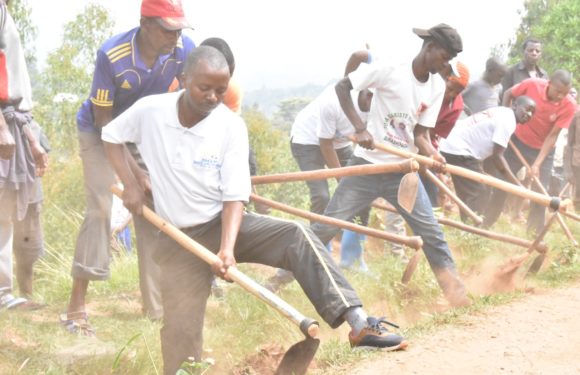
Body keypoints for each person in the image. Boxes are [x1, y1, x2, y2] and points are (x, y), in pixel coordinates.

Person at [101, 46, 408, 375]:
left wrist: (227, 249)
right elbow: (110, 136)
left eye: (220, 90)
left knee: (297, 235)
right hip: (178, 240)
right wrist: (132, 182)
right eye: (204, 88)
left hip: (223, 224)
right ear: (183, 79)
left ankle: (359, 324)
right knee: (180, 332)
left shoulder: (230, 127)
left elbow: (235, 197)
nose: (212, 97)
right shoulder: (150, 111)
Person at [313, 23, 470, 307]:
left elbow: (420, 134)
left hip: (403, 173)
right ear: (430, 47)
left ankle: (458, 300)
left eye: (449, 60)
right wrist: (360, 128)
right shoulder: (391, 69)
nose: (446, 65)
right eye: (444, 57)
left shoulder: (435, 86)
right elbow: (343, 86)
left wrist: (433, 155)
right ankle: (280, 277)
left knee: (432, 235)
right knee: (325, 227)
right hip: (368, 167)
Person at [62, 0, 195, 333]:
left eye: (179, 29)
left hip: (142, 133)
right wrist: (133, 178)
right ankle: (76, 308)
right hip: (100, 130)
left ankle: (156, 308)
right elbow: (106, 126)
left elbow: (186, 105)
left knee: (154, 207)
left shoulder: (182, 51)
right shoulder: (113, 56)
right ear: (145, 25)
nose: (175, 37)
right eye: (168, 29)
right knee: (100, 210)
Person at [483, 70, 576, 232]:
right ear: (549, 84)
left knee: (540, 194)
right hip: (517, 142)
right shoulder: (532, 84)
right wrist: (505, 119)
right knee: (502, 184)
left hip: (543, 150)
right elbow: (508, 93)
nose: (561, 96)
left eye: (565, 93)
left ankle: (533, 235)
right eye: (558, 91)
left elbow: (552, 136)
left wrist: (537, 164)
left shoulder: (569, 105)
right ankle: (485, 225)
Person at [0, 0, 49, 310]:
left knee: (6, 212)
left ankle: (5, 292)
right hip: (4, 122)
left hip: (13, 119)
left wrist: (29, 134)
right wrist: (2, 127)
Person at [439, 96, 537, 221]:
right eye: (527, 109)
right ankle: (473, 229)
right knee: (481, 190)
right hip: (459, 150)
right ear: (515, 105)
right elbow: (497, 157)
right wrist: (517, 185)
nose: (528, 114)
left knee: (471, 191)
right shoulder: (508, 121)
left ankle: (467, 226)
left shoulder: (502, 111)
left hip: (452, 145)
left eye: (532, 113)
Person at [422, 60, 470, 207]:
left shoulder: (456, 107)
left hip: (426, 146)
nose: (452, 94)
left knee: (431, 193)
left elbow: (430, 134)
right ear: (443, 79)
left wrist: (432, 156)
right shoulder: (425, 89)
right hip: (403, 139)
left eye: (457, 92)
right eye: (450, 89)